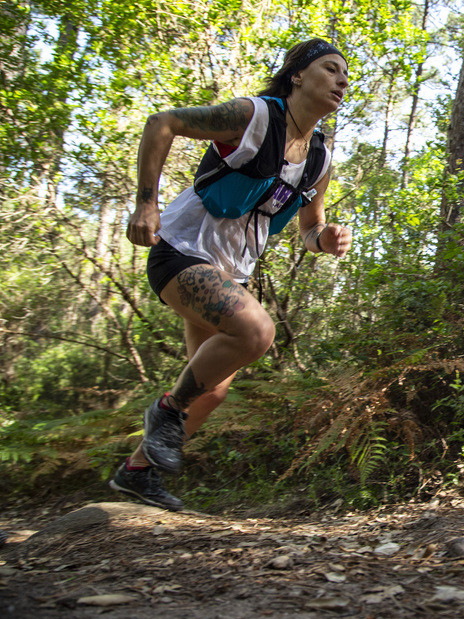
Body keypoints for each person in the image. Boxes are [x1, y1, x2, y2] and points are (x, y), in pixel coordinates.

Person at [110, 38, 353, 511]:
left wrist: (324, 239)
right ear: (298, 75)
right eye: (330, 68)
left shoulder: (319, 161)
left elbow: (309, 228)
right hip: (179, 252)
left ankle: (137, 473)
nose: (341, 80)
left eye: (346, 76)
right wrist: (146, 203)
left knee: (214, 389)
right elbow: (163, 124)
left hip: (229, 273)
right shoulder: (254, 118)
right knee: (256, 331)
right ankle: (165, 411)